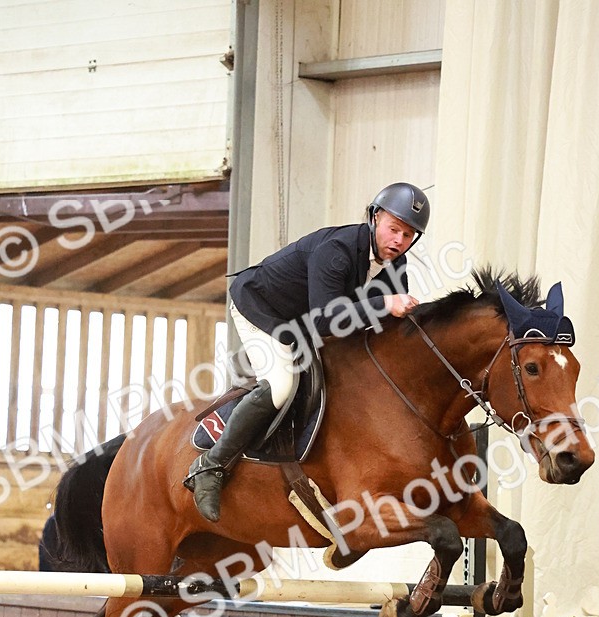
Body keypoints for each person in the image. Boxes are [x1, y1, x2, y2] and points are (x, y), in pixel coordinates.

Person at [184, 181, 430, 522]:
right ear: (375, 218)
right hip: (262, 307)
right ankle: (209, 468)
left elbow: (387, 329)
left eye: (407, 235)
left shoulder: (396, 266)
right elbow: (327, 318)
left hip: (302, 320)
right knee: (282, 385)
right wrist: (387, 302)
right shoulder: (337, 251)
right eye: (393, 229)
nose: (398, 241)